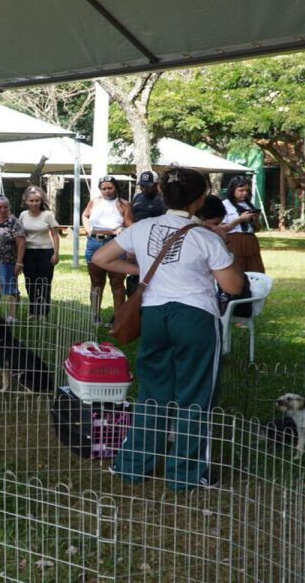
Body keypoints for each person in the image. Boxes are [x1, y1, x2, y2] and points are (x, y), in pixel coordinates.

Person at [93, 168, 242, 490]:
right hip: (195, 317)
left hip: (154, 316)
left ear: (161, 192)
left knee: (152, 392)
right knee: (195, 396)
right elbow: (232, 285)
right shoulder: (205, 236)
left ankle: (132, 466)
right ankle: (186, 474)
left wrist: (140, 269)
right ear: (202, 198)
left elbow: (103, 258)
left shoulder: (143, 227)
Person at [82, 175, 133, 325]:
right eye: (104, 188)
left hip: (115, 243)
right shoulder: (95, 202)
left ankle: (118, 318)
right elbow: (85, 215)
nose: (107, 191)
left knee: (117, 282)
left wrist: (129, 248)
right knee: (96, 281)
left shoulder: (124, 205)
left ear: (116, 188)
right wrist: (87, 229)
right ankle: (95, 316)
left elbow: (130, 226)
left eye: (110, 188)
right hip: (94, 242)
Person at [17, 185, 59, 320]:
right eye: (31, 200)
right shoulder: (23, 215)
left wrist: (56, 253)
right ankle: (33, 311)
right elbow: (19, 235)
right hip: (28, 253)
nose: (34, 203)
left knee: (45, 282)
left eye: (37, 200)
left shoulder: (47, 215)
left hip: (46, 252)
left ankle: (43, 312)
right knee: (30, 283)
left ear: (41, 201)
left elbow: (55, 235)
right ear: (26, 201)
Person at [220, 175, 265, 273]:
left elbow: (257, 229)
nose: (244, 193)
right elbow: (221, 228)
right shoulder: (225, 204)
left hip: (250, 241)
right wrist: (240, 219)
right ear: (233, 190)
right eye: (241, 190)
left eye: (247, 190)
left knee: (254, 271)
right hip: (234, 242)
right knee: (237, 271)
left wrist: (255, 220)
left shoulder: (249, 204)